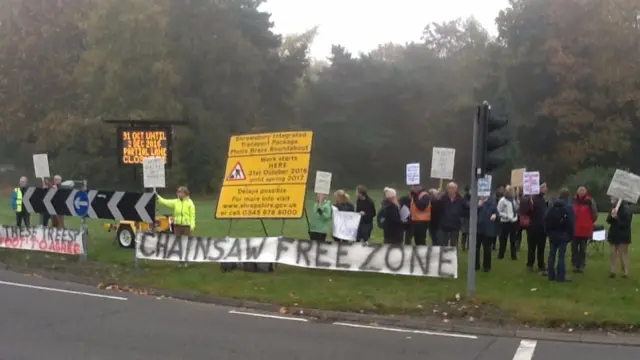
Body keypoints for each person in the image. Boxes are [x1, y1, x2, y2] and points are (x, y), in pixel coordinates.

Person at [157, 186, 196, 266]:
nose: (178, 194)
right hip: (177, 226)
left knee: (185, 243)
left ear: (185, 193)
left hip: (186, 226)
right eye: (178, 192)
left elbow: (192, 215)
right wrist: (158, 197)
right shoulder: (176, 202)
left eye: (180, 192)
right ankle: (180, 260)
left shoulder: (190, 203)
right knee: (178, 243)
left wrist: (192, 226)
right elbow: (165, 202)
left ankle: (185, 260)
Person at [545, 188, 575, 282]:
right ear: (568, 196)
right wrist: (571, 235)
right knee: (561, 256)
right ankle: (561, 276)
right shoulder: (568, 207)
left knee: (552, 254)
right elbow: (571, 222)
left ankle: (551, 275)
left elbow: (546, 219)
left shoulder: (552, 205)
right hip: (563, 234)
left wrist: (548, 232)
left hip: (553, 234)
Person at [523, 182, 549, 274]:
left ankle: (541, 264)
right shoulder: (531, 199)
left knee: (541, 247)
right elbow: (525, 211)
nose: (546, 189)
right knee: (532, 247)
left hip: (542, 227)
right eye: (544, 187)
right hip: (533, 226)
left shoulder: (543, 199)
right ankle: (530, 264)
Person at [572, 186, 597, 273]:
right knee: (574, 248)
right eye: (580, 190)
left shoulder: (590, 201)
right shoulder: (574, 200)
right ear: (577, 192)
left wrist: (589, 222)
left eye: (583, 190)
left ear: (586, 192)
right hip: (574, 229)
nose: (581, 192)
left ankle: (582, 264)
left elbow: (594, 214)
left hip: (585, 229)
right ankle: (575, 264)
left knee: (582, 248)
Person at [606, 197, 632, 278]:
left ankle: (625, 271)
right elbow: (608, 221)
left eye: (612, 199)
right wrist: (611, 215)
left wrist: (616, 217)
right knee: (613, 253)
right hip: (614, 234)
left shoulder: (626, 209)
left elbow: (625, 223)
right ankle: (613, 271)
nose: (611, 201)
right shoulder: (613, 208)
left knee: (623, 254)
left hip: (623, 235)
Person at [436, 182, 466, 247]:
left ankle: (453, 257)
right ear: (447, 189)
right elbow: (437, 208)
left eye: (453, 188)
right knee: (443, 245)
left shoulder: (460, 199)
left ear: (456, 189)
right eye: (449, 188)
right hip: (444, 225)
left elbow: (466, 209)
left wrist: (460, 215)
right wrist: (437, 199)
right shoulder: (443, 198)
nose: (451, 190)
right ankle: (444, 257)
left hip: (455, 226)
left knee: (454, 245)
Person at [476, 195, 499, 272]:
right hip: (477, 229)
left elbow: (497, 212)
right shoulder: (476, 202)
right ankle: (476, 265)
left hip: (487, 229)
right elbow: (470, 212)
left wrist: (495, 215)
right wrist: (477, 206)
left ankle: (486, 266)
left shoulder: (492, 203)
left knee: (487, 249)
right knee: (476, 248)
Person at [497, 185, 519, 260]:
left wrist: (517, 205)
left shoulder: (513, 200)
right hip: (505, 222)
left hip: (513, 221)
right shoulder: (502, 200)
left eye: (511, 191)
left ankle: (513, 255)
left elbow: (515, 209)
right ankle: (501, 255)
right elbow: (498, 211)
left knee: (513, 240)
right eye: (509, 190)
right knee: (503, 240)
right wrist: (506, 216)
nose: (510, 192)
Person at [460, 186, 471, 251]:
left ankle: (467, 246)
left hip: (469, 217)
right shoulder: (465, 198)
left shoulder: (471, 197)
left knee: (469, 233)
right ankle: (463, 246)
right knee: (465, 232)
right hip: (465, 217)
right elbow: (467, 205)